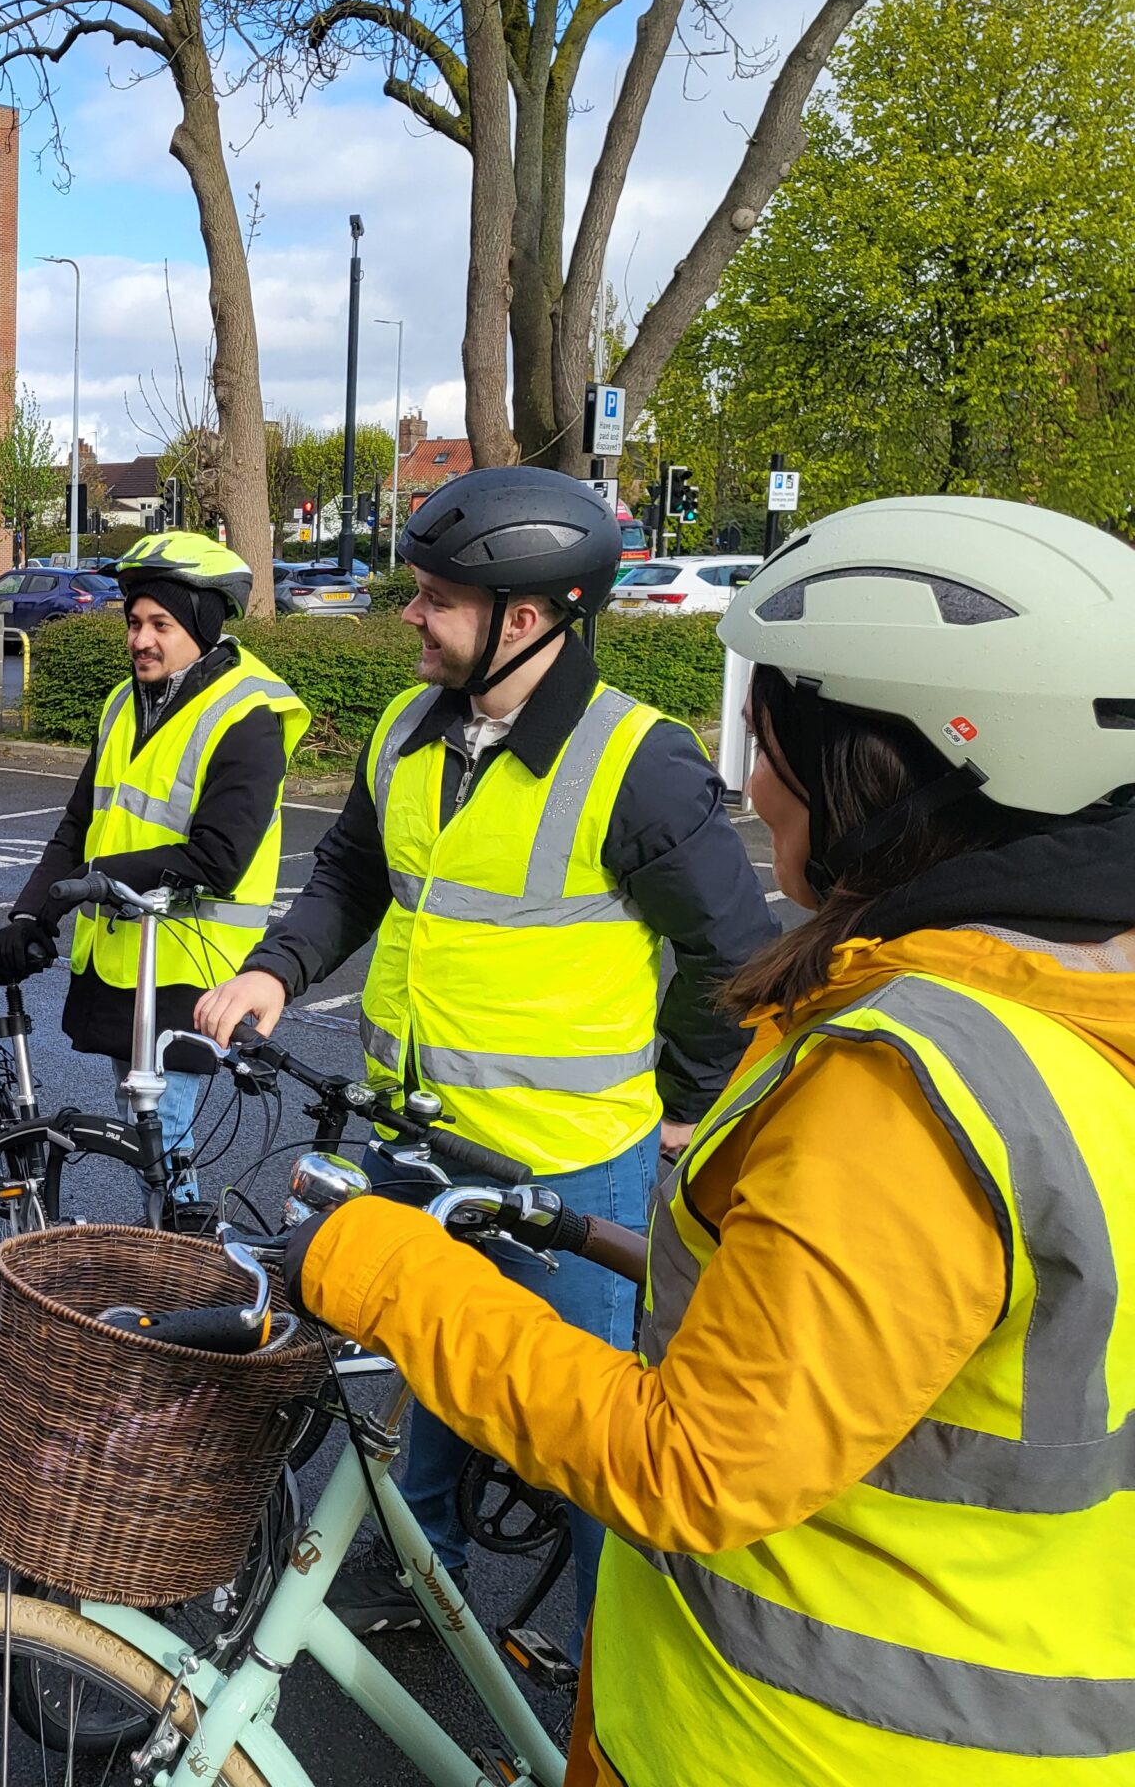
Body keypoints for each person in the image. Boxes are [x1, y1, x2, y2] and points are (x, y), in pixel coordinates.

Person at [274, 494, 1135, 1785]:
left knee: (591, 1471)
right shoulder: (1063, 1001)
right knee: (458, 1409)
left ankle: (563, 1645)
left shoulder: (908, 1085)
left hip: (800, 1740)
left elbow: (687, 1469)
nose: (750, 780)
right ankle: (433, 1592)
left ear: (887, 768)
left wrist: (379, 1264)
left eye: (770, 739)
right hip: (957, 1690)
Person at [196, 467, 774, 1644]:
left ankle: (618, 1662)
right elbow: (352, 873)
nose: (409, 614)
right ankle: (424, 1576)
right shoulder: (409, 728)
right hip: (416, 1137)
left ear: (526, 619)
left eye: (436, 598)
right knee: (431, 1358)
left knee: (592, 1439)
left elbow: (735, 956)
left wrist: (683, 1104)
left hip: (566, 1165)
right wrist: (276, 970)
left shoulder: (636, 762)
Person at [3, 532, 309, 1199]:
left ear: (201, 626)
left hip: (192, 971)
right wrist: (32, 913)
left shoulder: (247, 714)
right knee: (148, 1139)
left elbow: (218, 858)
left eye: (160, 624)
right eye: (135, 621)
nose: (140, 639)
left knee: (162, 1144)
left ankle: (177, 1255)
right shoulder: (125, 702)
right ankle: (169, 1248)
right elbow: (79, 824)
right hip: (126, 962)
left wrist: (89, 883)